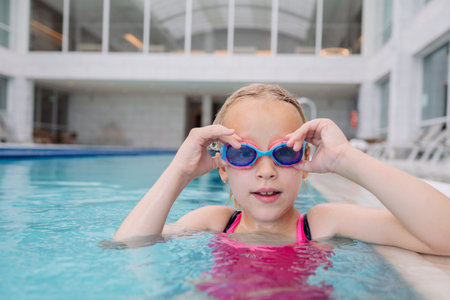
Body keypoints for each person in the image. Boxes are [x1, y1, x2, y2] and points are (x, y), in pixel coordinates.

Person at [114, 83, 450, 256]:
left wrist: (347, 160)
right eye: (245, 154)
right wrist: (179, 172)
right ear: (224, 168)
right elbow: (127, 247)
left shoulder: (323, 224)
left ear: (305, 164)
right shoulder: (213, 222)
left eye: (284, 153)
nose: (266, 171)